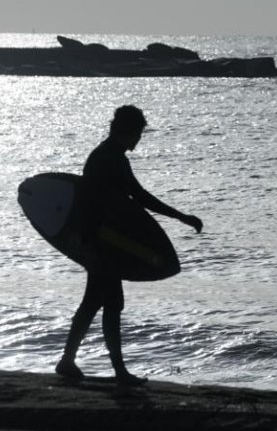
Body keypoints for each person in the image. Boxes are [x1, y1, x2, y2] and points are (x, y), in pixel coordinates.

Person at [56, 105, 203, 385]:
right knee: (111, 303)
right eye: (139, 133)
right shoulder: (109, 158)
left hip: (100, 241)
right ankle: (118, 372)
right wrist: (181, 216)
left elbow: (127, 199)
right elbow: (137, 197)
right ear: (130, 131)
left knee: (94, 301)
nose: (139, 139)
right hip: (104, 244)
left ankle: (67, 361)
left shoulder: (107, 154)